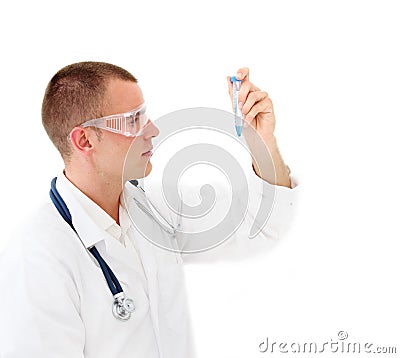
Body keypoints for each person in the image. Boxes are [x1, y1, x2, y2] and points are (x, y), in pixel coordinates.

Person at [0, 62, 297, 358]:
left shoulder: (153, 206)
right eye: (133, 120)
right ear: (84, 140)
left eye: (145, 115)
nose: (152, 129)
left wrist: (262, 145)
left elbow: (262, 226)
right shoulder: (38, 260)